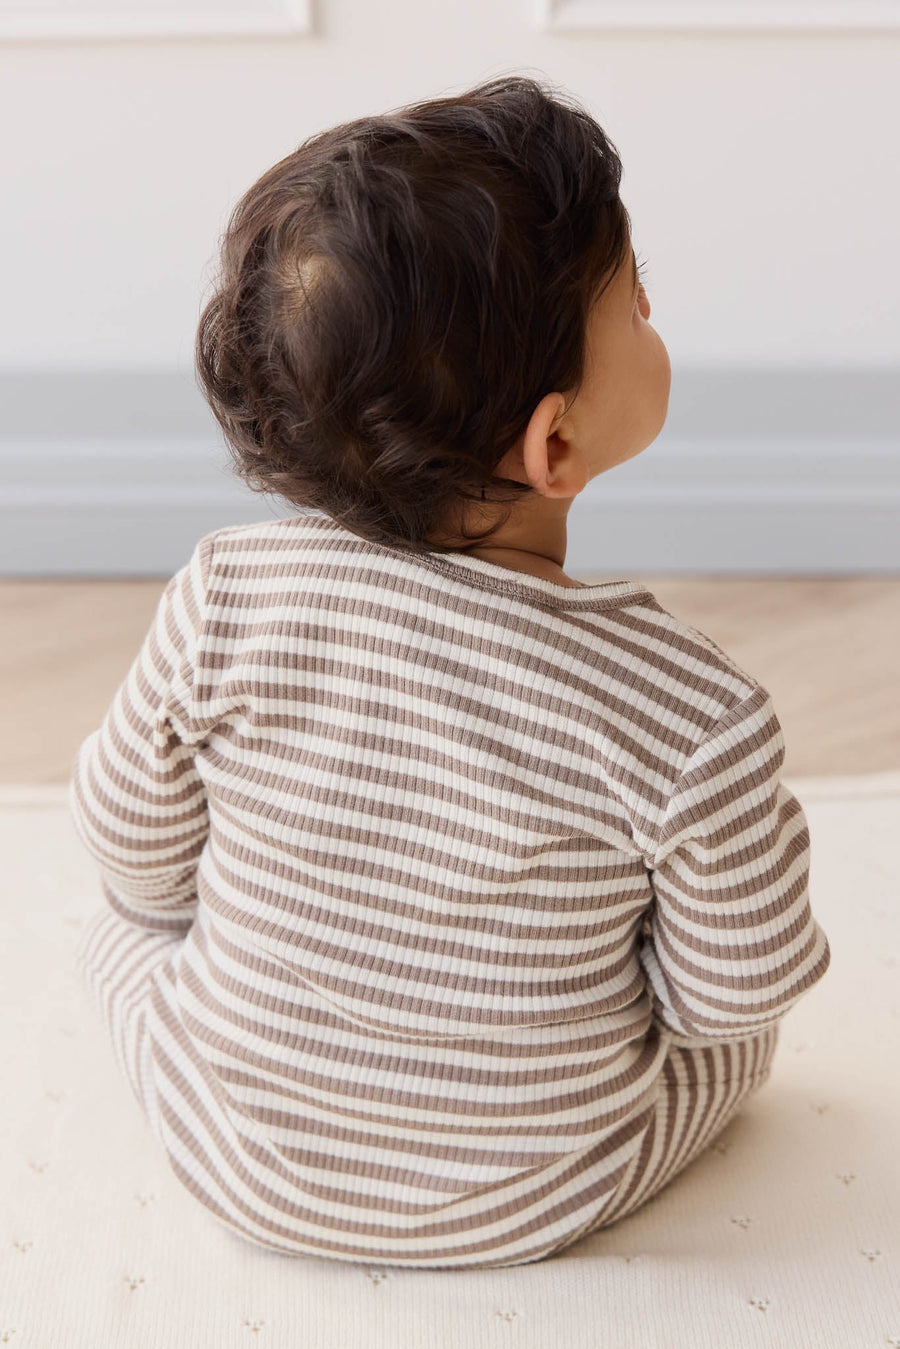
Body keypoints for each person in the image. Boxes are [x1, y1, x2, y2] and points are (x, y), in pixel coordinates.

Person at [69, 73, 831, 1270]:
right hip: (525, 1194)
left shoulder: (228, 593)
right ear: (555, 442)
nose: (652, 307)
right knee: (739, 1051)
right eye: (636, 295)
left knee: (118, 930)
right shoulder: (694, 716)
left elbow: (134, 848)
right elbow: (728, 994)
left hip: (235, 1151)